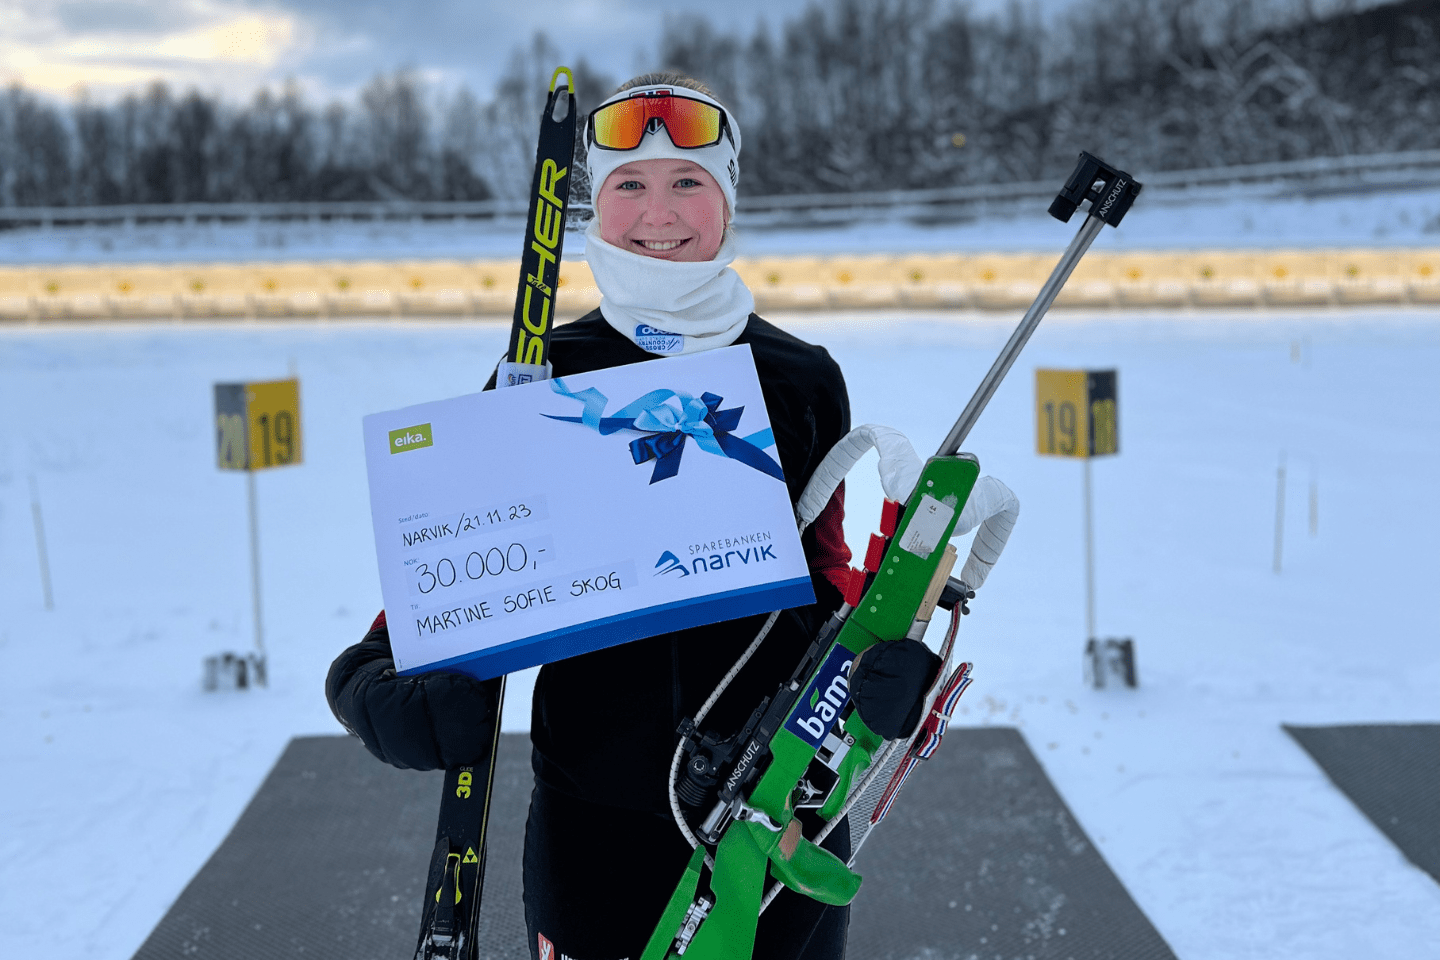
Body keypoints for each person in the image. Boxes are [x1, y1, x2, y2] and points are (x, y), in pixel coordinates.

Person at [327, 73, 855, 960]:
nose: (661, 212)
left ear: (728, 201)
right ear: (594, 207)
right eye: (630, 185)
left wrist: (882, 665)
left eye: (690, 182)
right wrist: (379, 671)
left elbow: (834, 570)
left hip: (778, 812)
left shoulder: (801, 376)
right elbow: (472, 560)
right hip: (596, 826)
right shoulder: (541, 369)